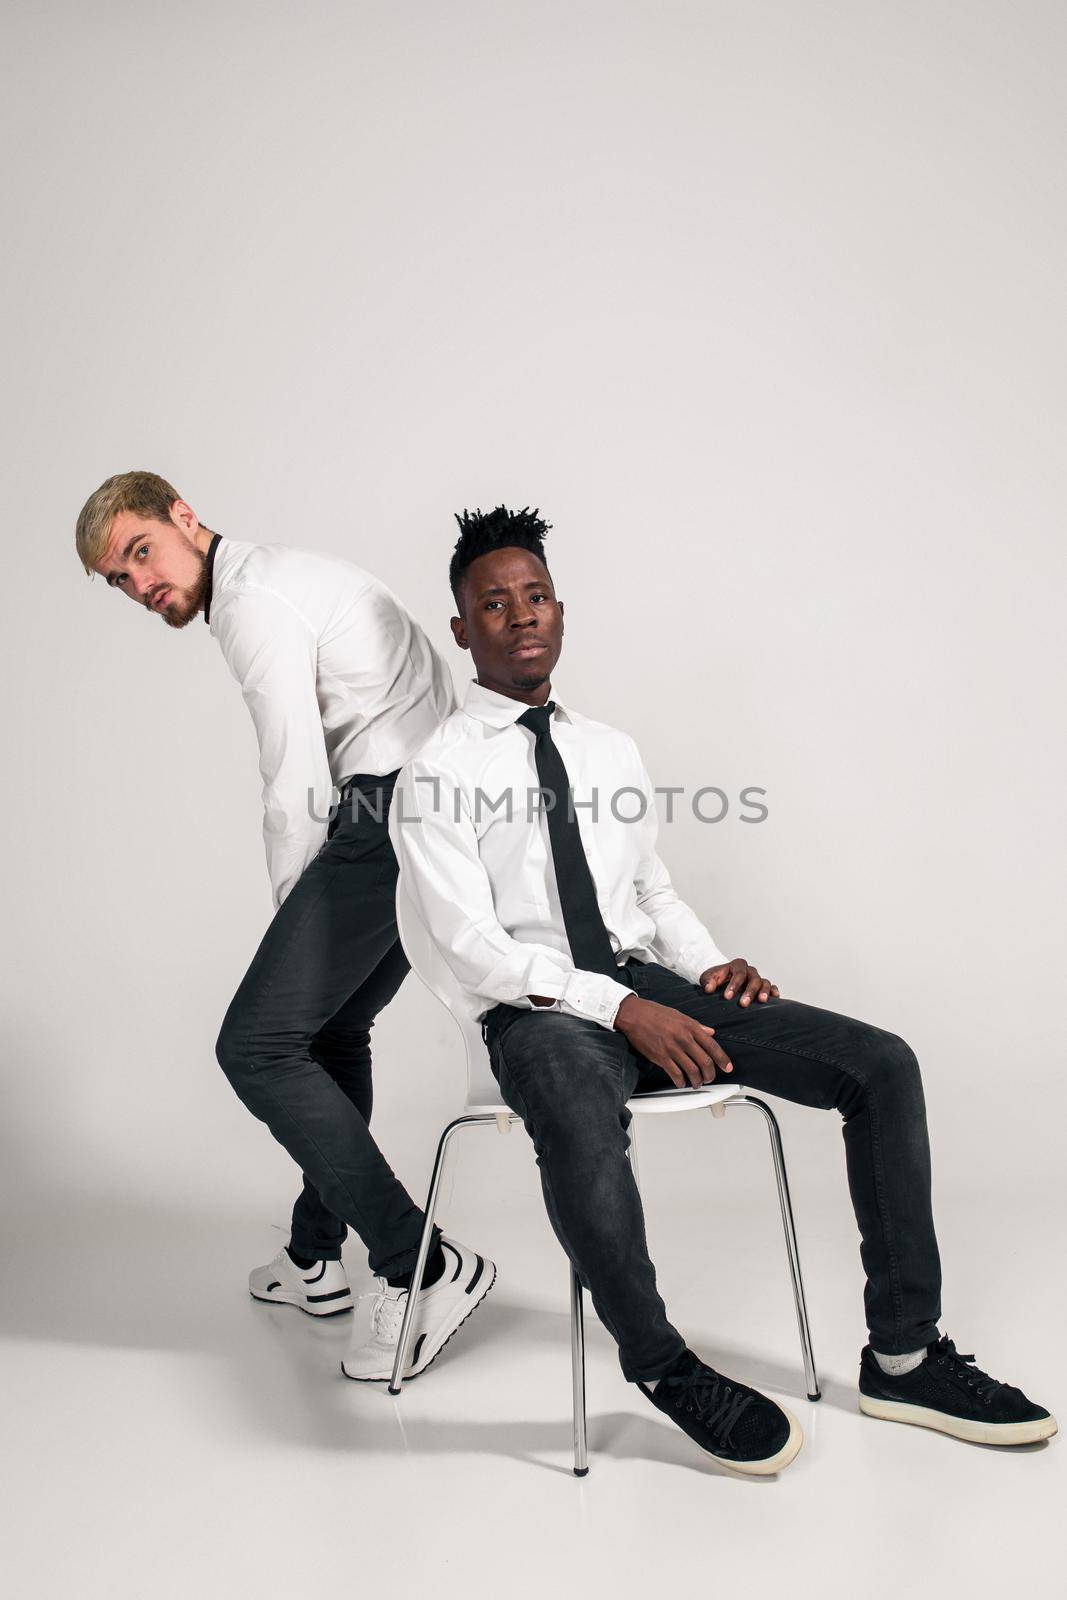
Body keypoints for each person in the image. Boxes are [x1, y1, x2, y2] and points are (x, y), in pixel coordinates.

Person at [388, 503, 1056, 1473]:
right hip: (538, 1016)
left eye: (535, 597)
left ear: (562, 613)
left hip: (647, 985)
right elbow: (472, 948)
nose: (521, 616)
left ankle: (903, 1355)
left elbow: (648, 888)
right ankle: (662, 1367)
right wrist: (617, 1009)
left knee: (878, 1065)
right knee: (577, 1112)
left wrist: (703, 965)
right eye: (495, 604)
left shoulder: (607, 749)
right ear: (462, 630)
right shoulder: (434, 774)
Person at [74, 471, 495, 1383]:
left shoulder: (253, 604)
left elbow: (292, 776)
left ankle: (420, 1261)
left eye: (141, 553)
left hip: (388, 816)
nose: (140, 587)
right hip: (434, 811)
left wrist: (291, 921)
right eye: (120, 579)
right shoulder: (276, 578)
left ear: (184, 517)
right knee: (333, 1031)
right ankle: (313, 1260)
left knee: (258, 1046)